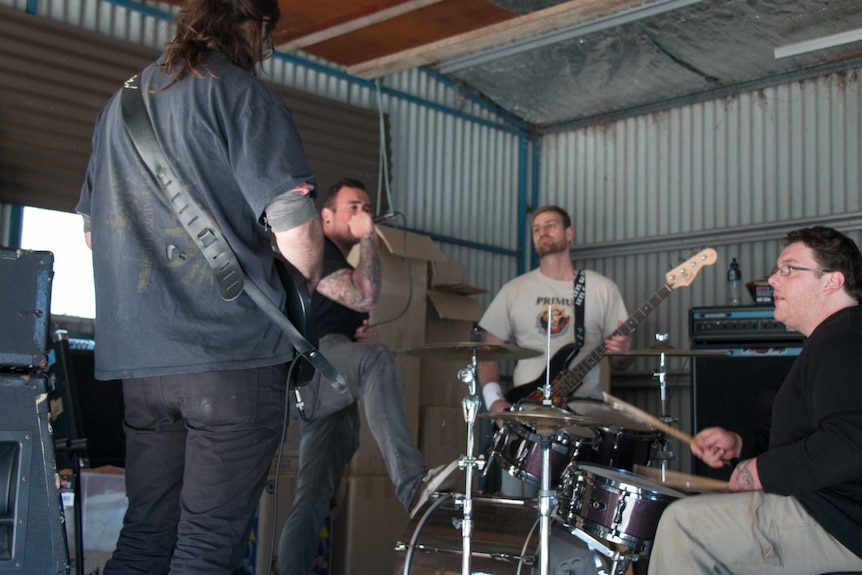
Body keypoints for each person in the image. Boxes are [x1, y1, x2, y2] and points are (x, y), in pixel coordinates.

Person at [75, 1, 324, 573]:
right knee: (206, 548)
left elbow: (95, 236)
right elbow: (297, 231)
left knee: (144, 538)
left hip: (141, 364)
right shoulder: (240, 94)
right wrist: (302, 280)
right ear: (254, 25)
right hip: (229, 359)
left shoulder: (122, 104)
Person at [648, 226, 862, 574]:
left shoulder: (846, 341)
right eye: (777, 270)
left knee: (683, 524)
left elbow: (849, 443)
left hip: (839, 524)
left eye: (789, 269)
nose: (773, 280)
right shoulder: (835, 339)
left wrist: (761, 471)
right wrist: (742, 443)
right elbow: (807, 435)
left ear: (831, 281)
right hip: (823, 509)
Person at [277, 179, 459, 575]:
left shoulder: (340, 262)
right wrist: (370, 239)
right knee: (376, 360)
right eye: (353, 207)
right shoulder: (318, 249)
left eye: (366, 207)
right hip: (311, 367)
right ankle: (413, 485)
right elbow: (365, 295)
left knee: (312, 499)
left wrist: (355, 335)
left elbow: (349, 306)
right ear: (326, 216)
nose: (363, 214)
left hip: (329, 375)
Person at [477, 205, 633, 495]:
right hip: (528, 413)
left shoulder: (601, 289)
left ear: (569, 233)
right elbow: (489, 350)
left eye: (550, 225)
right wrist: (494, 402)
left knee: (575, 510)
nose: (542, 232)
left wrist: (623, 348)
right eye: (536, 229)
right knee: (518, 509)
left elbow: (623, 361)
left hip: (585, 418)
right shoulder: (515, 290)